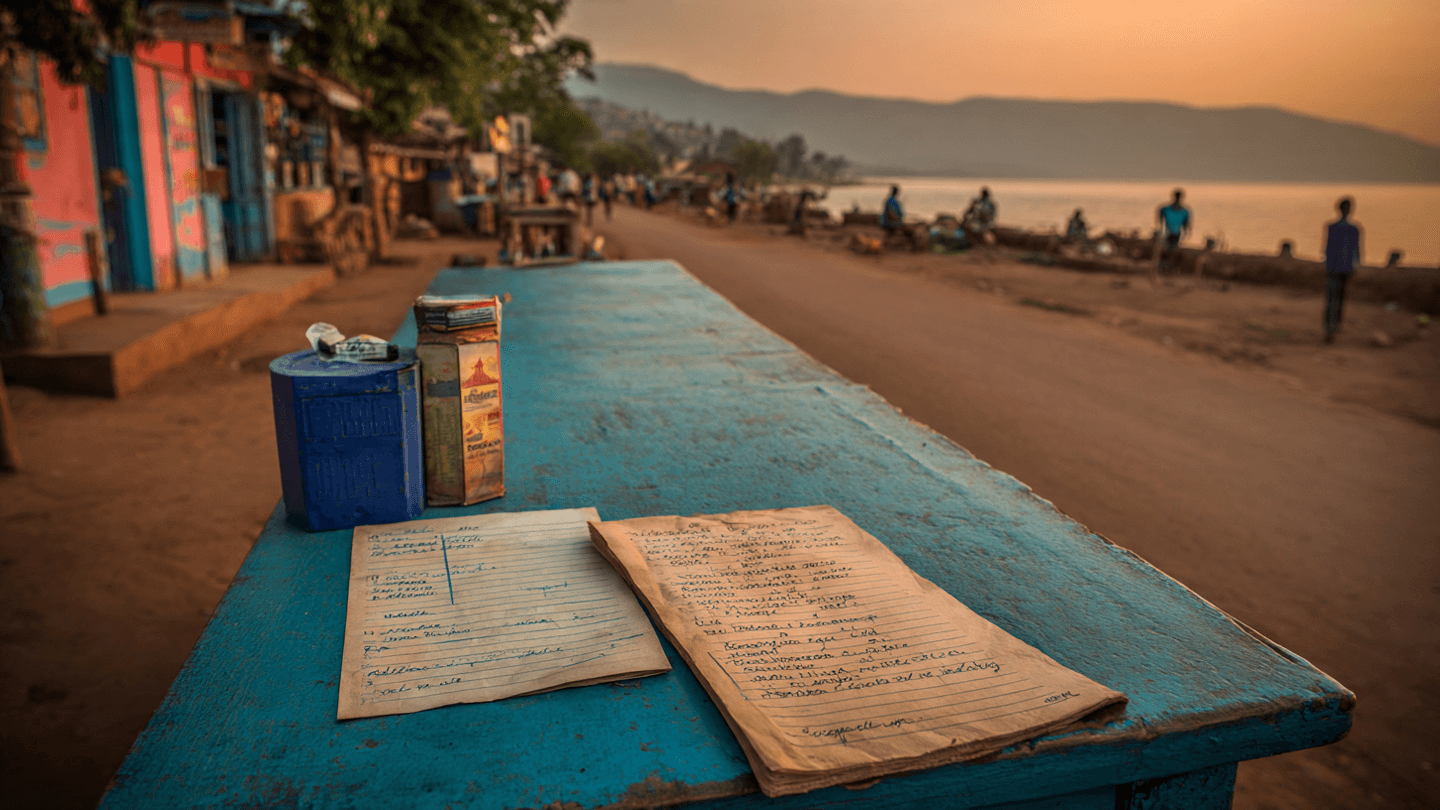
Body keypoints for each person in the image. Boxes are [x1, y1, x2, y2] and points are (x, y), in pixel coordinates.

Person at [1322, 197, 1363, 343]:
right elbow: (1357, 252)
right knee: (1337, 299)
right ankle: (1332, 327)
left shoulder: (1335, 227)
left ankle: (1331, 327)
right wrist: (1356, 265)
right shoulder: (1352, 229)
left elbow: (1327, 249)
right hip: (1342, 269)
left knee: (1334, 299)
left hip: (1337, 268)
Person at [1156, 188, 1191, 270]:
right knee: (1167, 250)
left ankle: (1169, 267)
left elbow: (1186, 223)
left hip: (1176, 233)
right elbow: (1160, 213)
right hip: (1169, 233)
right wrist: (1161, 227)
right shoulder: (1167, 209)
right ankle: (1165, 267)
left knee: (1173, 250)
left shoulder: (1184, 211)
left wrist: (1186, 232)